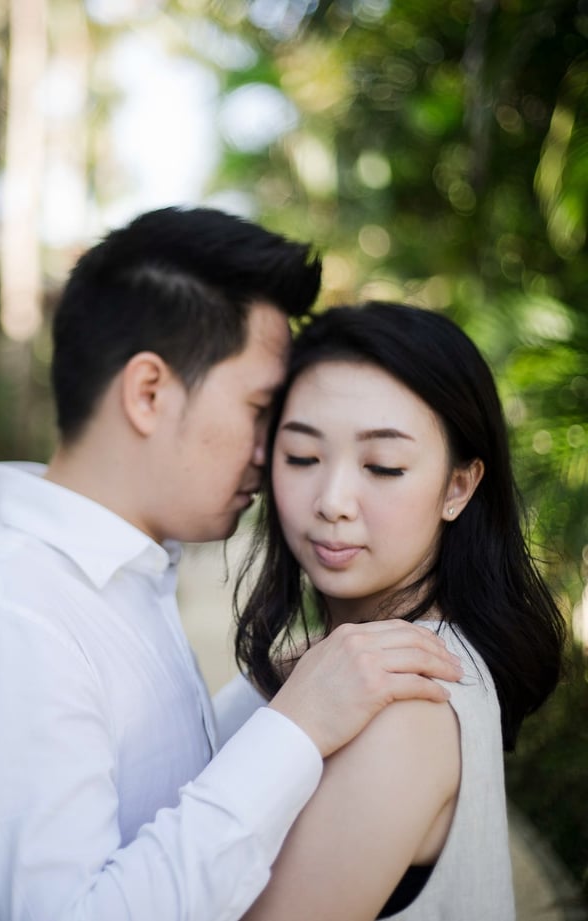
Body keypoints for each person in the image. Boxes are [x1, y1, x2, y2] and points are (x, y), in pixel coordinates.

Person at [0, 209, 462, 921]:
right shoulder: (7, 616)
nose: (270, 453)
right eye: (260, 408)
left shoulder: (113, 580)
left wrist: (270, 697)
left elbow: (144, 806)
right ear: (149, 392)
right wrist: (298, 726)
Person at [235, 301, 566, 921]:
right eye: (303, 457)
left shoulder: (407, 702)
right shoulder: (326, 668)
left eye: (383, 466)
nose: (332, 501)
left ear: (458, 487)